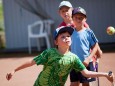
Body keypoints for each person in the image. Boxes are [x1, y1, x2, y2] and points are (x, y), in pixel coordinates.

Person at [6, 26, 114, 86]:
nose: (67, 38)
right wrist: (14, 70)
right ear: (56, 42)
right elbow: (32, 62)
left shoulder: (73, 58)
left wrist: (105, 74)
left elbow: (86, 73)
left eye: (68, 36)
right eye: (63, 36)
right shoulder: (49, 53)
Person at [70, 7, 103, 86]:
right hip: (74, 64)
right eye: (76, 18)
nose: (78, 20)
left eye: (81, 18)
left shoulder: (89, 32)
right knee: (74, 84)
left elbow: (95, 47)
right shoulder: (70, 32)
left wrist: (88, 59)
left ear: (85, 19)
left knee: (86, 84)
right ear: (72, 19)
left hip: (86, 63)